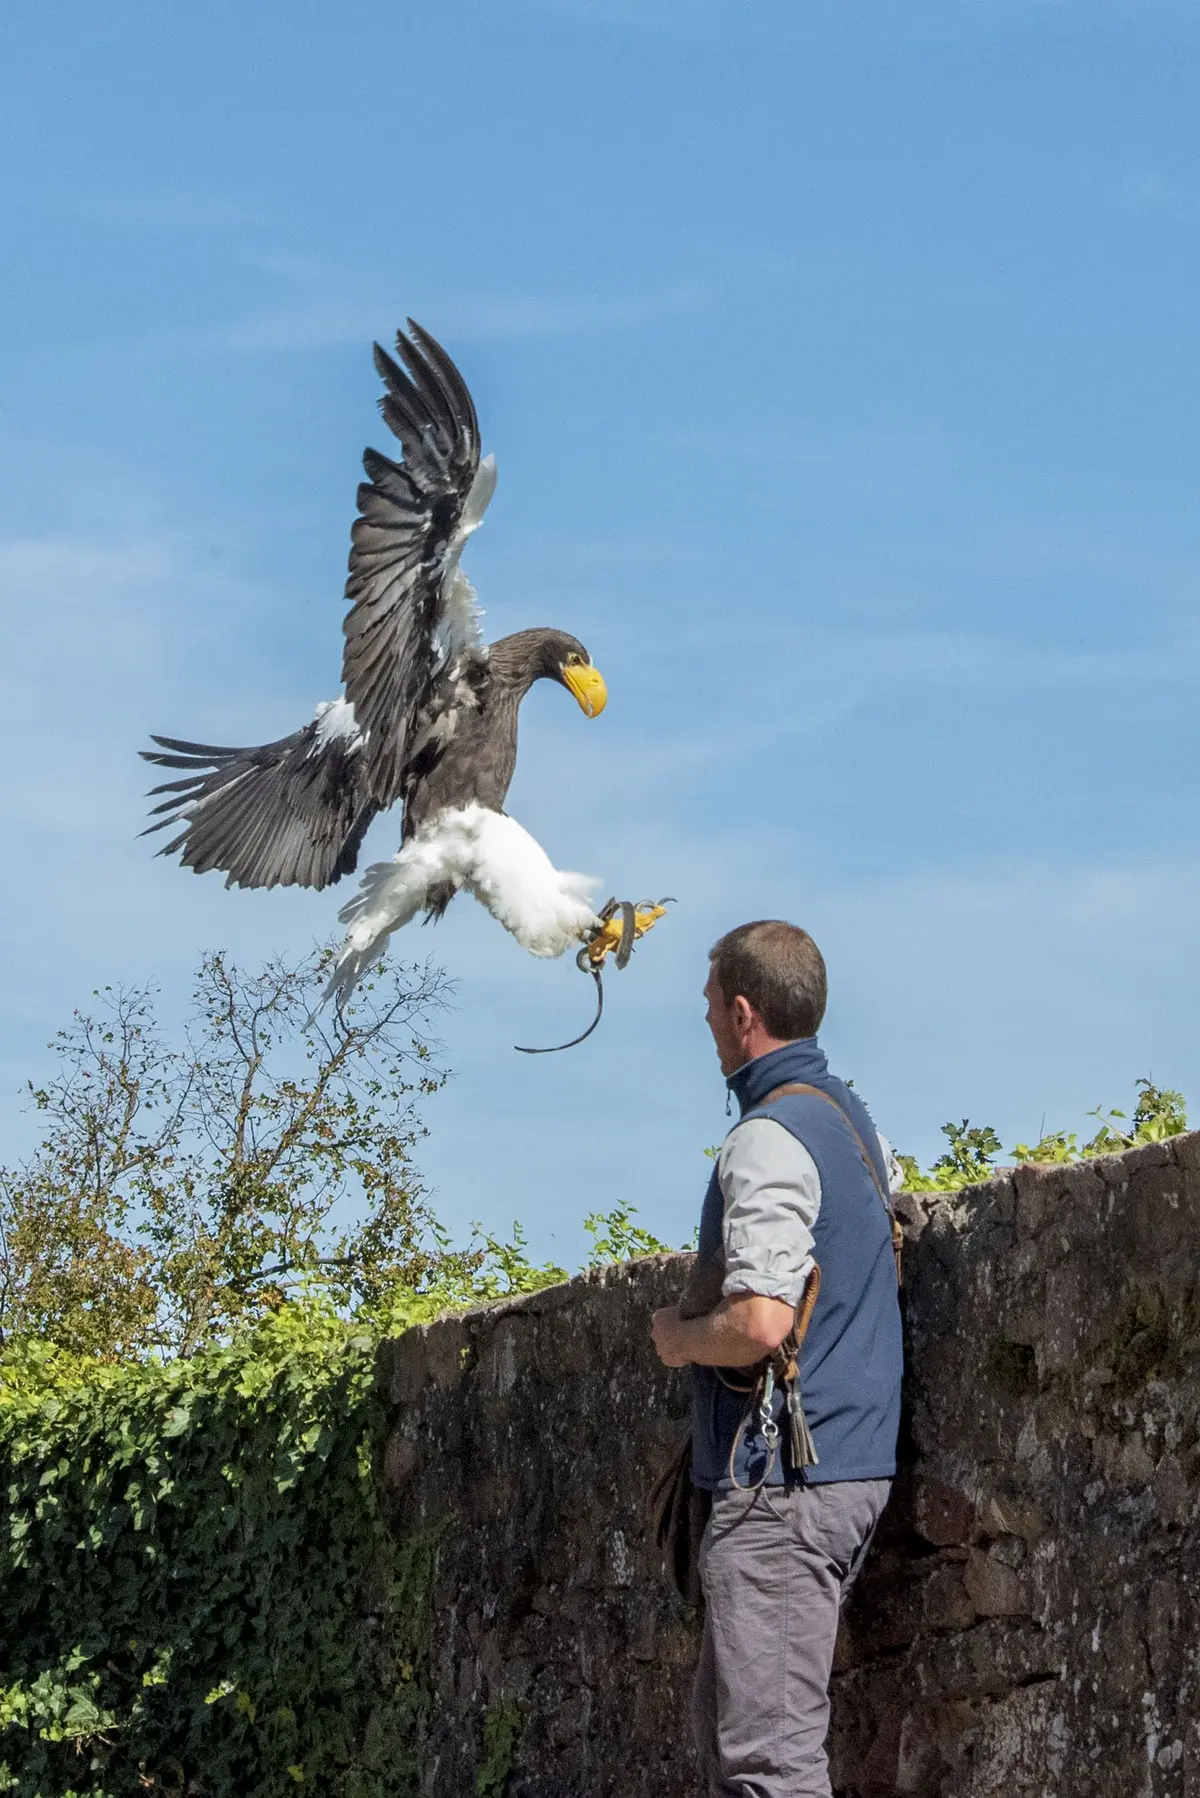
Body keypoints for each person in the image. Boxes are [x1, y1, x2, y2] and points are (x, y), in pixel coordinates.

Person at [651, 920, 902, 1798]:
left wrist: (677, 1338)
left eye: (713, 1005)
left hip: (785, 1486)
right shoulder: (852, 1123)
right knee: (737, 1752)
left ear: (745, 1012)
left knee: (767, 1766)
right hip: (838, 1465)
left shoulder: (767, 1137)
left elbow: (760, 1322)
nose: (709, 1022)